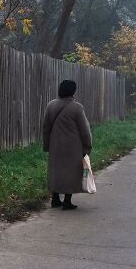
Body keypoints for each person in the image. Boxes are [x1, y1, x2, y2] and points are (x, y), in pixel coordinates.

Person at [42, 80, 93, 210]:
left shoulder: (50, 105)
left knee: (56, 171)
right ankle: (67, 201)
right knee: (71, 172)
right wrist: (87, 146)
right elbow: (85, 130)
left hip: (55, 146)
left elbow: (46, 128)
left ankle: (55, 199)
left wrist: (47, 145)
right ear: (73, 91)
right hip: (73, 147)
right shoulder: (77, 107)